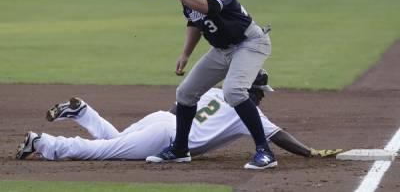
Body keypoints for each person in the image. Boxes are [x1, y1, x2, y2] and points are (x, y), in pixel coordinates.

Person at [145, 0, 277, 169]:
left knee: (234, 91)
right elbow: (195, 21)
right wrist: (185, 53)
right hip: (222, 49)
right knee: (185, 93)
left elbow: (209, 7)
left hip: (250, 43)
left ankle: (265, 152)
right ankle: (180, 149)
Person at [16, 70, 343, 162]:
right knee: (105, 152)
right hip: (168, 135)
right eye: (259, 92)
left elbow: (181, 107)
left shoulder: (216, 92)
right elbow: (279, 137)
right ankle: (44, 143)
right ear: (250, 90)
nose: (259, 97)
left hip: (164, 120)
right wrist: (309, 152)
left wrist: (162, 125)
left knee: (116, 142)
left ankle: (83, 112)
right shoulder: (248, 112)